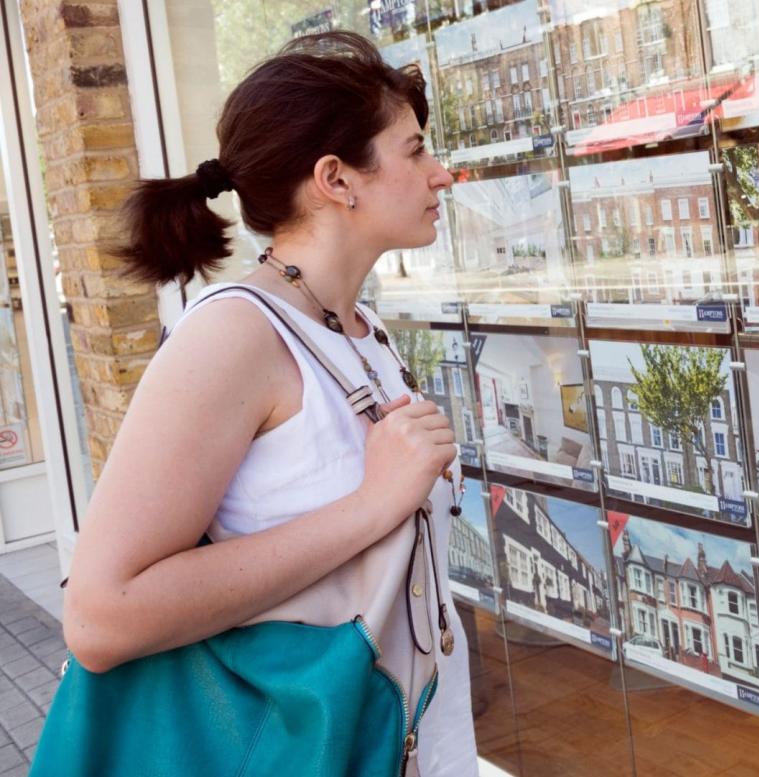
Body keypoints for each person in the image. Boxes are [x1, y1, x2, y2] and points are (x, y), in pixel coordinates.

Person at [48, 32, 476, 776]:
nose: (443, 174)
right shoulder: (233, 336)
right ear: (337, 179)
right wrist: (371, 506)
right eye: (413, 151)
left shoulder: (356, 327)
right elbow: (98, 614)